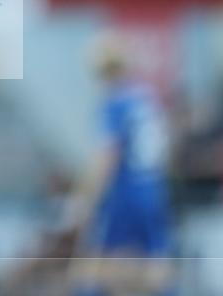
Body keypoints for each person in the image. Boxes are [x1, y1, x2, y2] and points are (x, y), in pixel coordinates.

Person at [67, 33, 175, 296]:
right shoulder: (146, 99)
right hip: (153, 190)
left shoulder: (114, 103)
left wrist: (84, 199)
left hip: (124, 195)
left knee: (92, 268)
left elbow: (107, 157)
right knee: (155, 266)